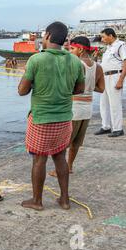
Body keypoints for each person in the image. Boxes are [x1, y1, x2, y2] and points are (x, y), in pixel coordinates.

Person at [18, 22, 85, 211]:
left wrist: (33, 84)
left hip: (42, 119)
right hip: (64, 118)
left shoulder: (36, 60)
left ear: (47, 36)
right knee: (60, 158)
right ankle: (64, 200)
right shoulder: (74, 61)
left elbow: (22, 91)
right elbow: (79, 89)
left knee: (39, 160)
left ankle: (37, 201)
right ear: (64, 39)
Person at [49, 36, 105, 177]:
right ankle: (69, 167)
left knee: (63, 143)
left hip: (73, 108)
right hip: (87, 109)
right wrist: (89, 86)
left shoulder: (76, 64)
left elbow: (66, 86)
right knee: (76, 143)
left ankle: (60, 170)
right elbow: (101, 88)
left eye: (72, 48)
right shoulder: (97, 67)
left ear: (80, 49)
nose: (70, 51)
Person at [95, 28, 126, 138]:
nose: (102, 39)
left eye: (103, 36)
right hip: (105, 77)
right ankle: (106, 126)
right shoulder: (108, 48)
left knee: (115, 104)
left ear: (110, 35)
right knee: (103, 104)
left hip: (115, 76)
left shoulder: (121, 45)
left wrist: (121, 80)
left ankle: (118, 129)